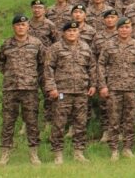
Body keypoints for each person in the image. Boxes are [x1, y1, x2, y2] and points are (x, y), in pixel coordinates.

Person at [44, 21, 97, 164]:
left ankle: (78, 152)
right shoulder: (55, 48)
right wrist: (52, 88)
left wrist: (93, 84)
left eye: (74, 31)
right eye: (69, 31)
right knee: (59, 124)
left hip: (81, 91)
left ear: (78, 32)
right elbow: (48, 69)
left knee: (80, 123)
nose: (72, 33)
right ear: (63, 33)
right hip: (62, 92)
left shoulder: (85, 47)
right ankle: (58, 154)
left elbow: (92, 67)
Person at [97, 18, 135, 161]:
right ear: (117, 29)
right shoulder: (109, 45)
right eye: (121, 27)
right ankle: (114, 150)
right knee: (113, 120)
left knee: (130, 120)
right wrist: (103, 85)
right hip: (113, 88)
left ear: (131, 29)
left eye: (127, 27)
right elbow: (100, 65)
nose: (124, 30)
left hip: (132, 88)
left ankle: (127, 148)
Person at [0, 15, 44, 166]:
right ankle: (4, 155)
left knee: (32, 122)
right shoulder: (6, 44)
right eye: (18, 25)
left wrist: (32, 77)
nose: (20, 27)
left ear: (28, 26)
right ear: (13, 27)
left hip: (30, 89)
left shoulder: (36, 44)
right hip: (10, 89)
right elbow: (0, 62)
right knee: (8, 122)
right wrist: (10, 74)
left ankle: (34, 155)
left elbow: (42, 64)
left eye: (23, 24)